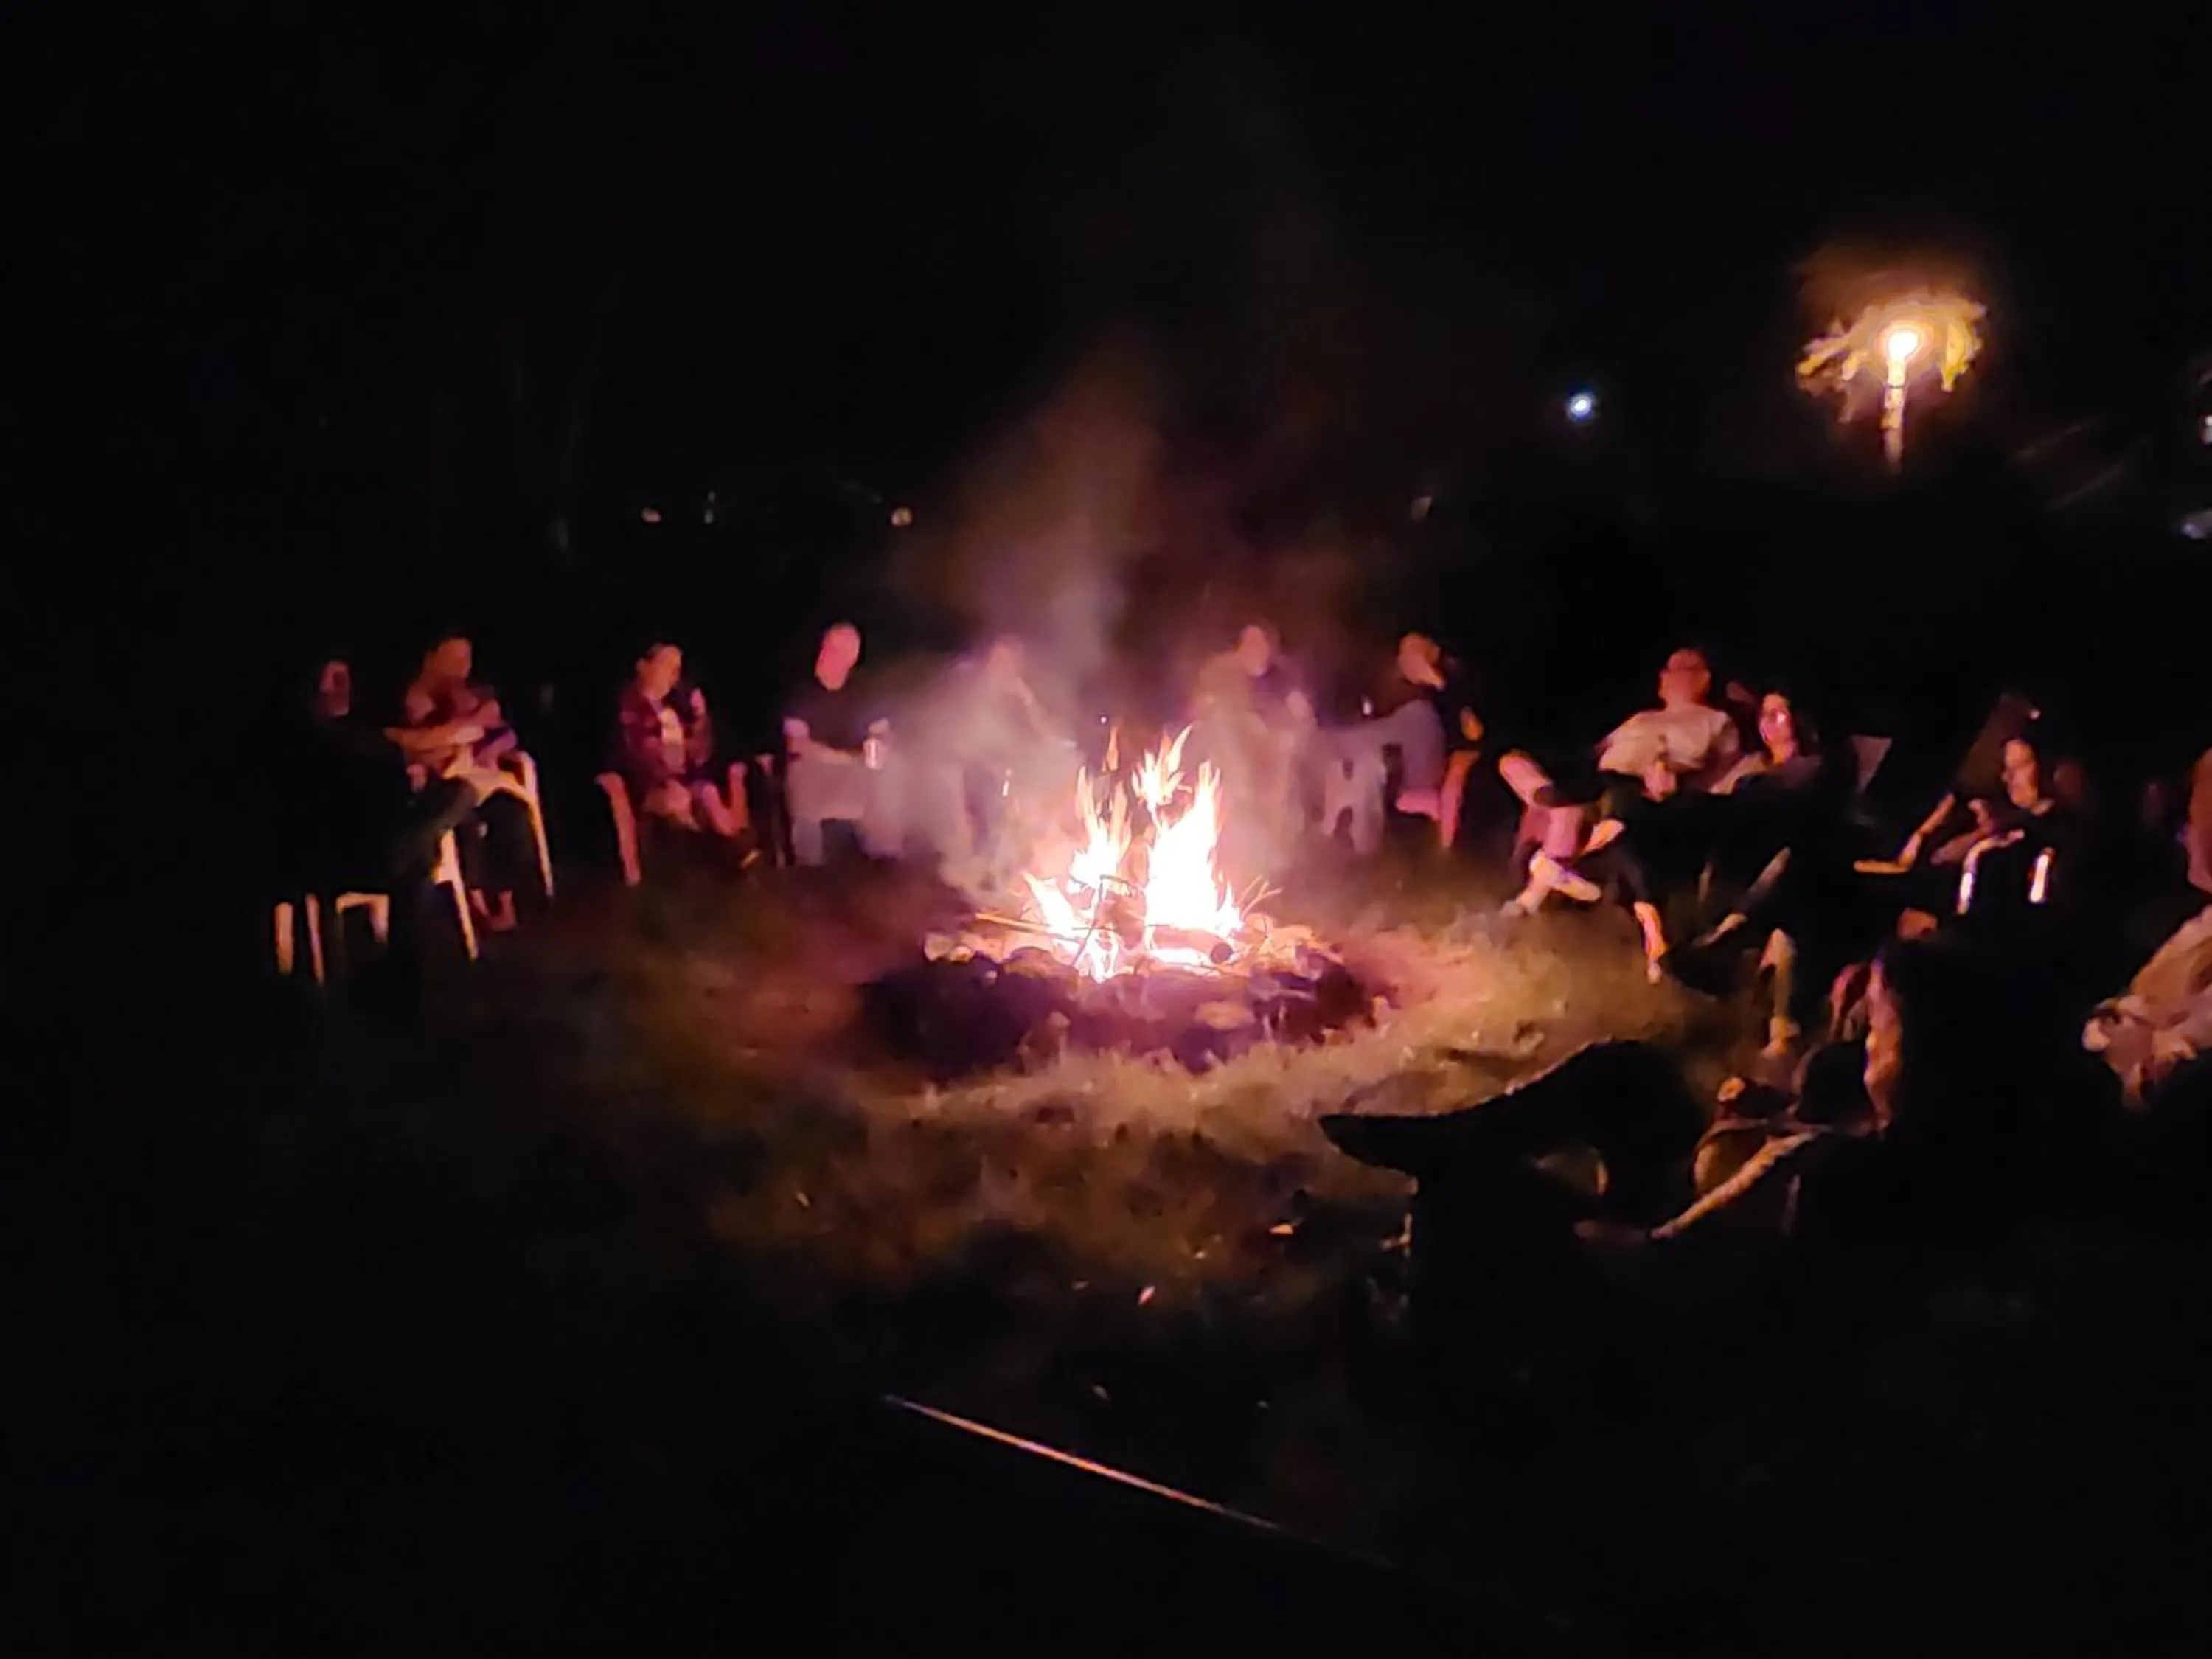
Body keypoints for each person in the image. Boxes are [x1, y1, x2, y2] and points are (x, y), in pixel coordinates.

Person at [2084, 746, 2212, 1109]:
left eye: (2192, 810)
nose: (2183, 833)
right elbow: (2124, 1009)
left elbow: (2170, 1076)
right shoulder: (2202, 925)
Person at [389, 635, 535, 931]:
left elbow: (503, 731)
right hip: (442, 784)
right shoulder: (415, 698)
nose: (462, 667)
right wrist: (464, 730)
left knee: (511, 812)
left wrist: (490, 744)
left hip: (475, 778)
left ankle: (506, 903)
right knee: (467, 823)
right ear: (432, 659)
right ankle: (476, 903)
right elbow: (421, 744)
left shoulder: (468, 695)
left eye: (466, 659)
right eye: (454, 659)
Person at [782, 622, 900, 866]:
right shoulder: (803, 691)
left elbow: (882, 731)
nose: (828, 654)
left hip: (857, 770)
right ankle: (808, 864)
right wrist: (842, 759)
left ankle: (885, 858)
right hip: (819, 770)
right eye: (828, 647)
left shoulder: (863, 690)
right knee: (800, 773)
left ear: (852, 658)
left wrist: (879, 746)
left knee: (894, 767)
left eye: (838, 650)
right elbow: (797, 743)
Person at [614, 643, 744, 840]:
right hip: (649, 785)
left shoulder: (676, 707)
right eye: (666, 665)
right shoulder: (631, 706)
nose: (673, 674)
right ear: (644, 667)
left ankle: (742, 851)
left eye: (677, 668)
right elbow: (637, 754)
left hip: (684, 781)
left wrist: (700, 718)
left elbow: (700, 756)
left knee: (709, 794)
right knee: (678, 802)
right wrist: (666, 780)